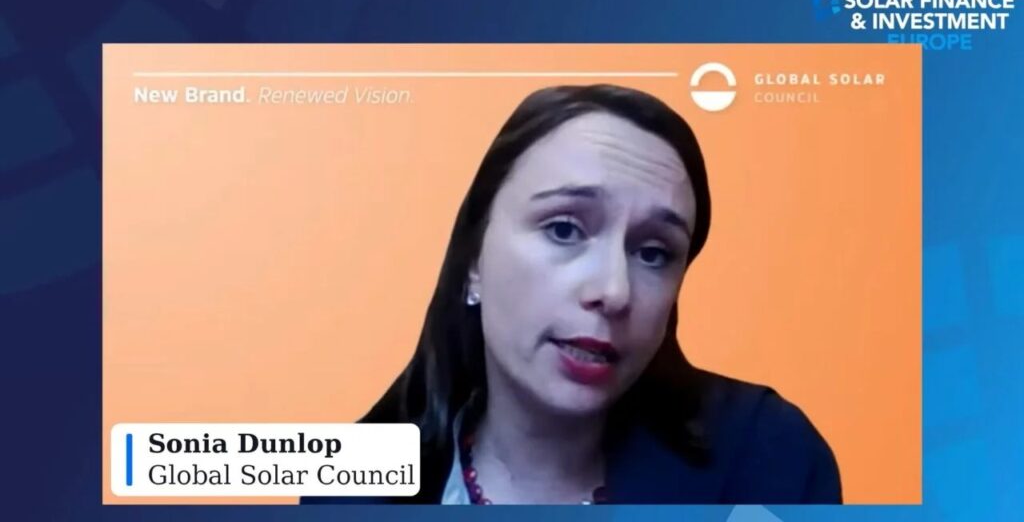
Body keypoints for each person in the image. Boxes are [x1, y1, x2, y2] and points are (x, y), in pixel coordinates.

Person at [304, 84, 841, 505]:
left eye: (654, 252)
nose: (613, 290)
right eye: (564, 229)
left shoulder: (766, 456)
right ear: (473, 263)